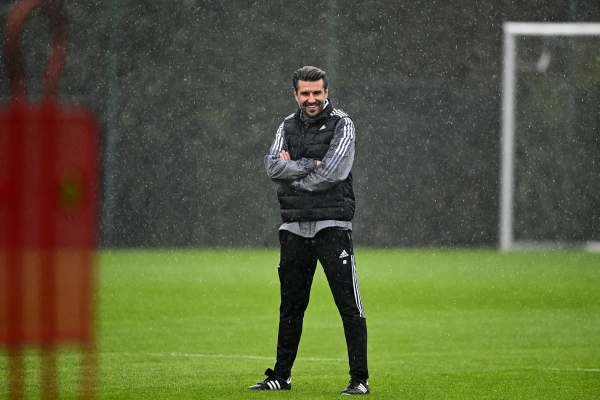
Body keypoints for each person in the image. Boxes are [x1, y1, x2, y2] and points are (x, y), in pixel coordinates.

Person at [248, 66, 369, 395]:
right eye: (305, 93)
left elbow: (334, 172)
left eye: (317, 92)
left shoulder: (343, 123)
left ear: (326, 92)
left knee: (349, 306)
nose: (311, 99)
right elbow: (272, 165)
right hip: (294, 228)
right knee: (290, 307)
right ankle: (281, 377)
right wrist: (309, 164)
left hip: (333, 226)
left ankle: (359, 380)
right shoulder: (286, 125)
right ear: (296, 94)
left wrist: (293, 176)